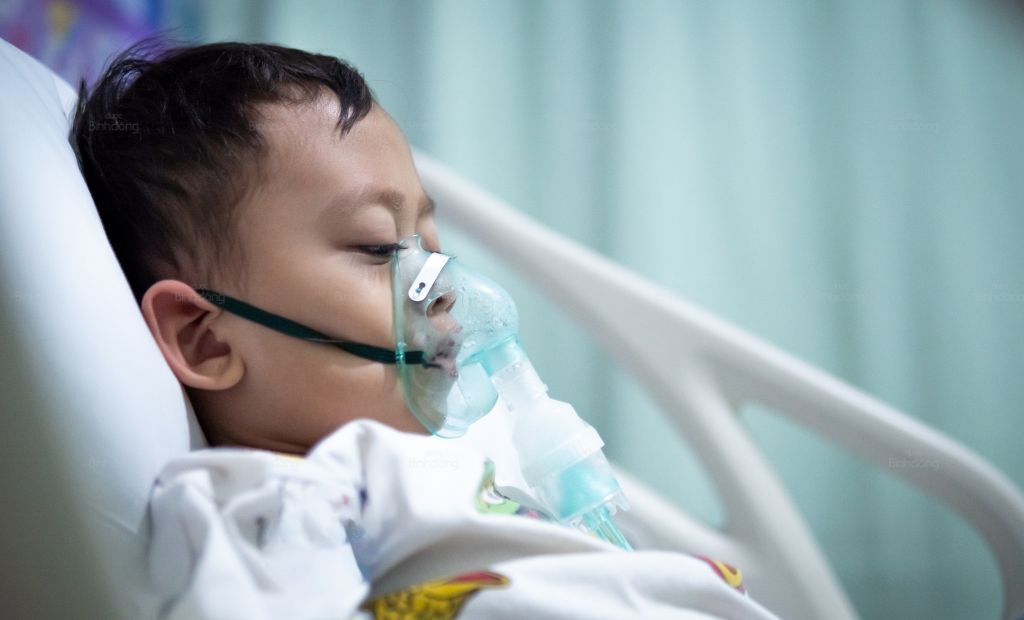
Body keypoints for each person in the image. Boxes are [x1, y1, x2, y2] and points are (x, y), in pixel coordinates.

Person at [72, 40, 782, 619]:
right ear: (207, 339)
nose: (440, 289)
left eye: (433, 248)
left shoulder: (469, 457)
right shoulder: (270, 512)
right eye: (380, 248)